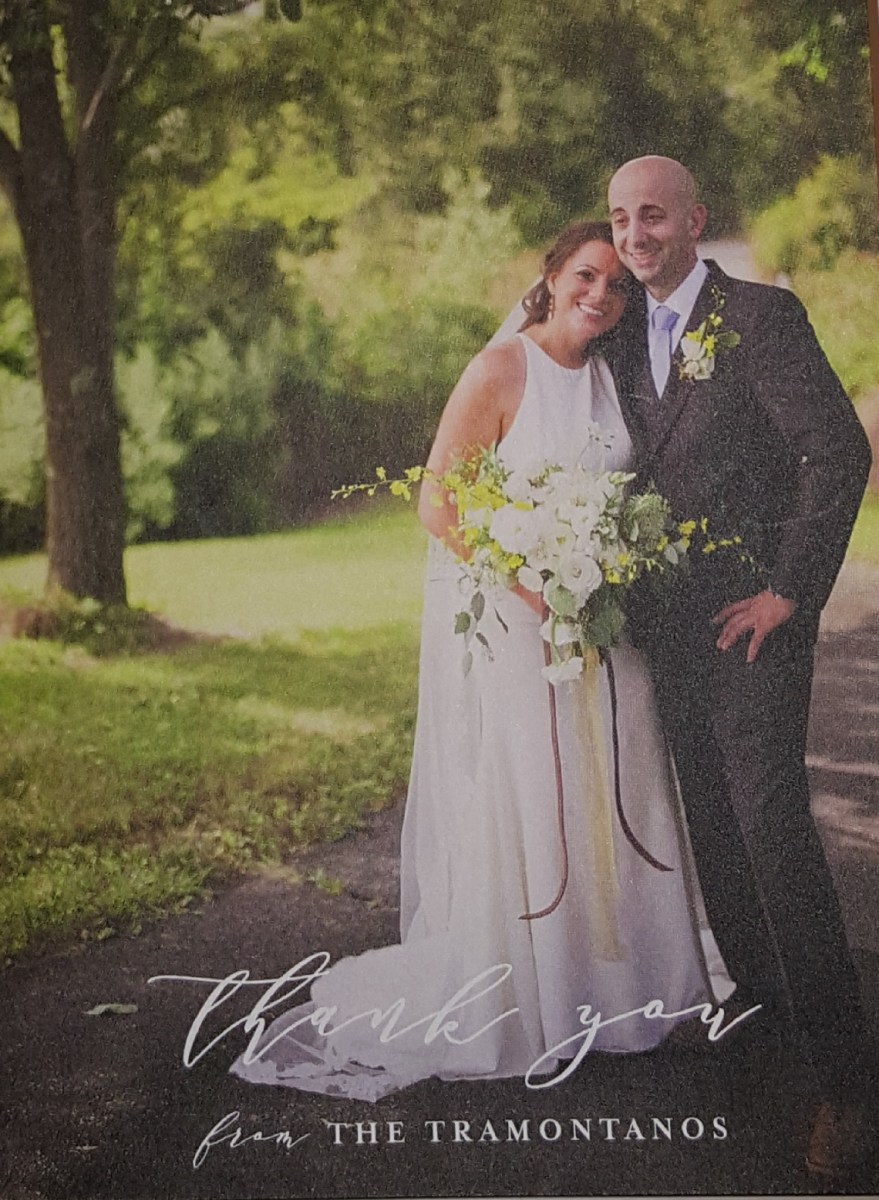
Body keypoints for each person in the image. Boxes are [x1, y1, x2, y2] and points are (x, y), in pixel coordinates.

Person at [229, 221, 733, 1103]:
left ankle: (630, 994)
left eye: (617, 286)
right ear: (551, 274)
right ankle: (535, 998)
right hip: (522, 624)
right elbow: (438, 504)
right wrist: (536, 584)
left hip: (607, 625)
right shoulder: (501, 368)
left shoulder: (613, 376)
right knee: (535, 794)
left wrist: (605, 568)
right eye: (587, 275)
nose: (601, 296)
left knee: (621, 787)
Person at [604, 155, 875, 1177]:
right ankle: (762, 1023)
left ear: (695, 220)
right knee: (714, 834)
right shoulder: (619, 330)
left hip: (752, 625)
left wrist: (790, 593)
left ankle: (848, 1087)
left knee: (770, 831)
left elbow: (838, 453)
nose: (635, 235)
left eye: (653, 216)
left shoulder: (760, 318)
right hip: (665, 631)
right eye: (620, 218)